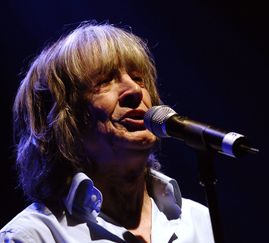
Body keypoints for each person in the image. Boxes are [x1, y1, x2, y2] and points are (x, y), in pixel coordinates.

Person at [0, 21, 214, 243]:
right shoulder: (32, 236)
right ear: (62, 119)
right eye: (104, 81)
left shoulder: (201, 222)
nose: (134, 91)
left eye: (139, 78)